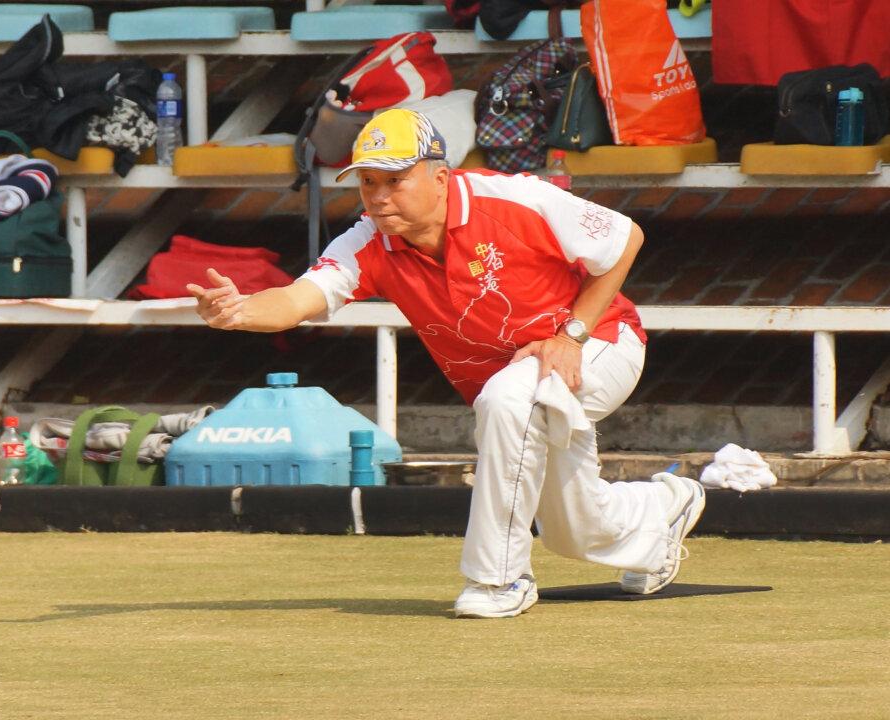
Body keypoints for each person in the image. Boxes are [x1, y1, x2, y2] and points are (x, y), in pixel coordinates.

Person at [187, 109, 705, 619]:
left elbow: (623, 238)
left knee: (511, 397)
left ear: (439, 176)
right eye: (368, 182)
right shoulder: (368, 240)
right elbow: (300, 299)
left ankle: (497, 580)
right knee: (574, 530)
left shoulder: (512, 198)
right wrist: (239, 313)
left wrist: (571, 335)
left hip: (602, 345)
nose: (379, 196)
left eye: (395, 179)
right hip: (525, 387)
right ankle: (662, 512)